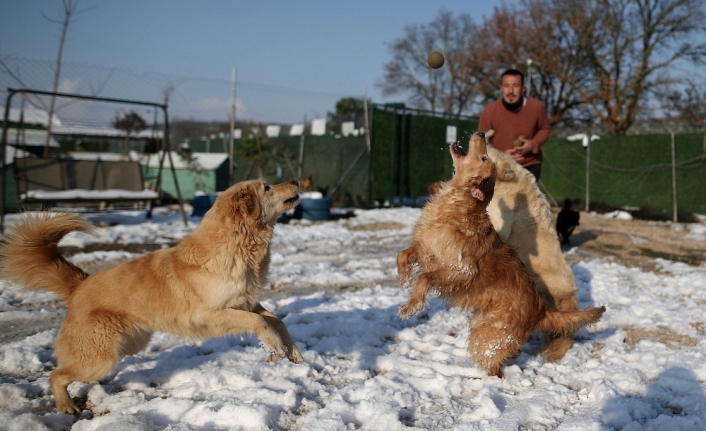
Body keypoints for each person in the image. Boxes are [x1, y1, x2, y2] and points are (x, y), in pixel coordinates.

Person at [478, 68, 551, 181]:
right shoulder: (490, 111)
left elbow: (545, 129)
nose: (510, 91)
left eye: (515, 86)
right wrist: (501, 155)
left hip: (530, 164)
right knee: (505, 197)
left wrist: (532, 144)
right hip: (501, 166)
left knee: (526, 198)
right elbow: (481, 142)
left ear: (523, 88)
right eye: (506, 86)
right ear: (501, 88)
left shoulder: (537, 107)